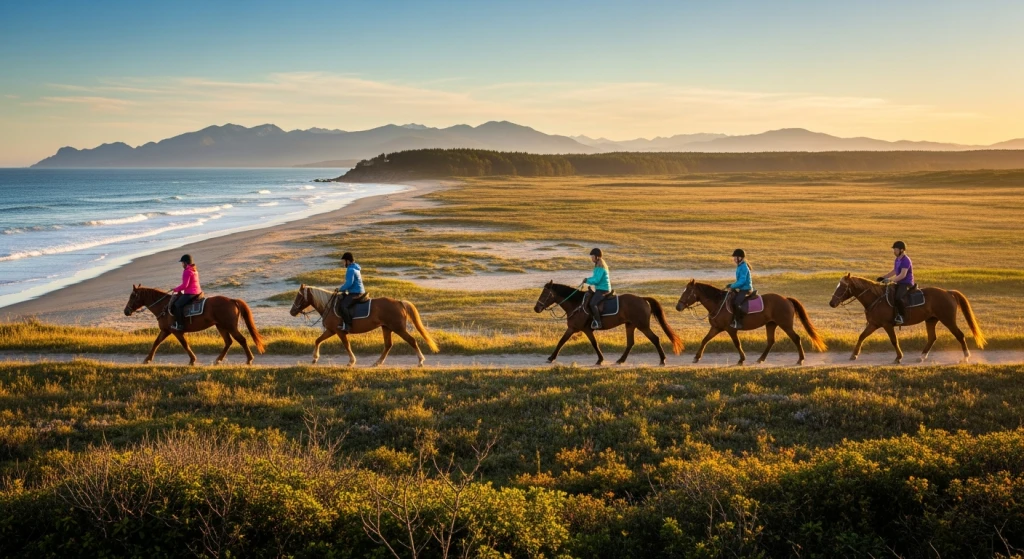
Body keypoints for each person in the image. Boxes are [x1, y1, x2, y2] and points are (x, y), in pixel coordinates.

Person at [877, 240, 914, 325]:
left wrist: (891, 280)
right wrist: (884, 277)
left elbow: (903, 275)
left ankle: (901, 316)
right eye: (894, 250)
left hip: (906, 283)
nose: (894, 251)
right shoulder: (897, 259)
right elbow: (894, 271)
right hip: (899, 282)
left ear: (901, 250)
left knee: (898, 298)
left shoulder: (906, 260)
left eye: (896, 250)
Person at [171, 254, 201, 330]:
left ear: (186, 263)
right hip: (198, 291)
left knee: (177, 304)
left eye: (182, 263)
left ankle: (180, 324)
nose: (182, 265)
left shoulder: (187, 271)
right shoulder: (194, 269)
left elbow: (185, 285)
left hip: (191, 292)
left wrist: (175, 289)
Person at [583, 248, 611, 329]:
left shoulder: (600, 267)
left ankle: (598, 323)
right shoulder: (598, 266)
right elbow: (595, 278)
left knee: (592, 303)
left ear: (597, 257)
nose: (591, 258)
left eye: (592, 256)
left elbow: (597, 280)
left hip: (603, 289)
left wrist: (587, 280)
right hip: (600, 288)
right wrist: (588, 280)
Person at [337, 252, 365, 331]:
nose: (343, 263)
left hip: (355, 292)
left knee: (343, 305)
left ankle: (348, 325)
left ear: (348, 261)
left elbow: (349, 283)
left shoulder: (351, 270)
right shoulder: (356, 268)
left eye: (344, 261)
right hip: (359, 291)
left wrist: (340, 289)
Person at [725, 249, 753, 329]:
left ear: (740, 258)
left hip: (746, 288)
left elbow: (742, 281)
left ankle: (738, 322)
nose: (733, 259)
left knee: (737, 302)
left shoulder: (743, 267)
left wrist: (732, 286)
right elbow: (739, 281)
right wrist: (731, 285)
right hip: (742, 288)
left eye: (735, 257)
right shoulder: (740, 266)